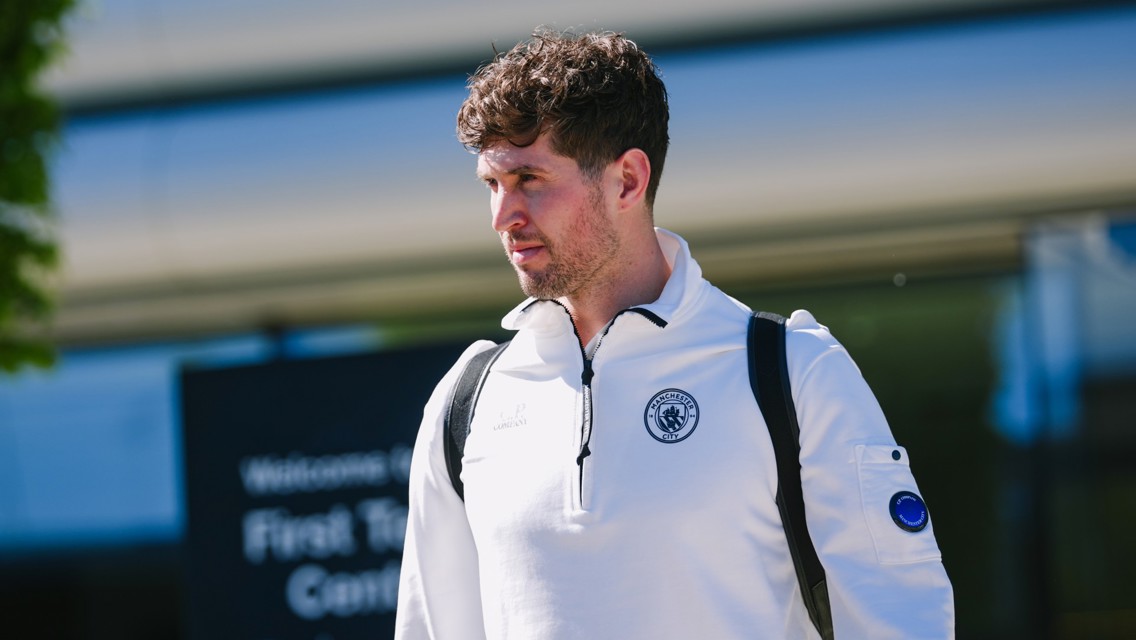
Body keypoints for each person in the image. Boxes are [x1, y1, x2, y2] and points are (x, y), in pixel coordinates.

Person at [395, 28, 954, 639]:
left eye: (530, 179)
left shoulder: (791, 371)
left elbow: (904, 621)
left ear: (628, 181)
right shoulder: (467, 400)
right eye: (492, 185)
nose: (504, 216)